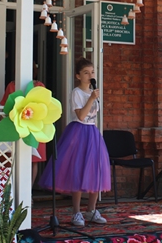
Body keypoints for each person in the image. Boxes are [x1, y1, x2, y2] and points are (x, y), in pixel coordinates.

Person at [38, 57, 111, 227]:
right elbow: (81, 115)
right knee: (78, 170)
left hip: (92, 133)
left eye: (92, 72)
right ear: (78, 76)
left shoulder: (93, 92)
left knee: (95, 170)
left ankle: (92, 210)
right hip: (79, 132)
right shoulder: (77, 93)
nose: (90, 76)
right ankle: (76, 212)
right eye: (86, 73)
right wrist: (91, 98)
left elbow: (94, 116)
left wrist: (93, 98)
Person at [0, 63, 46, 188]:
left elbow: (45, 106)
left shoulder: (39, 86)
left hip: (35, 126)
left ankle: (28, 190)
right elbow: (5, 106)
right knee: (14, 158)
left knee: (33, 160)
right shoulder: (12, 85)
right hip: (15, 125)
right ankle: (14, 189)